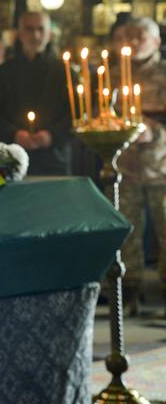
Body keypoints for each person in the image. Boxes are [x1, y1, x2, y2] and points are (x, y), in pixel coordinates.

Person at [112, 17, 166, 316]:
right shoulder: (115, 75)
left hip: (162, 166)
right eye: (128, 36)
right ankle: (127, 290)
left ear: (157, 42)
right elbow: (100, 113)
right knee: (127, 229)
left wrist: (154, 132)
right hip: (127, 167)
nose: (133, 42)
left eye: (140, 36)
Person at [0, 12, 72, 175]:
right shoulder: (2, 73)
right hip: (11, 158)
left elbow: (75, 115)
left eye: (40, 29)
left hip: (54, 159)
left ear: (49, 34)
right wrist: (14, 134)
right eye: (29, 29)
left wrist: (51, 135)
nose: (35, 35)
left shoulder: (65, 73)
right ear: (19, 33)